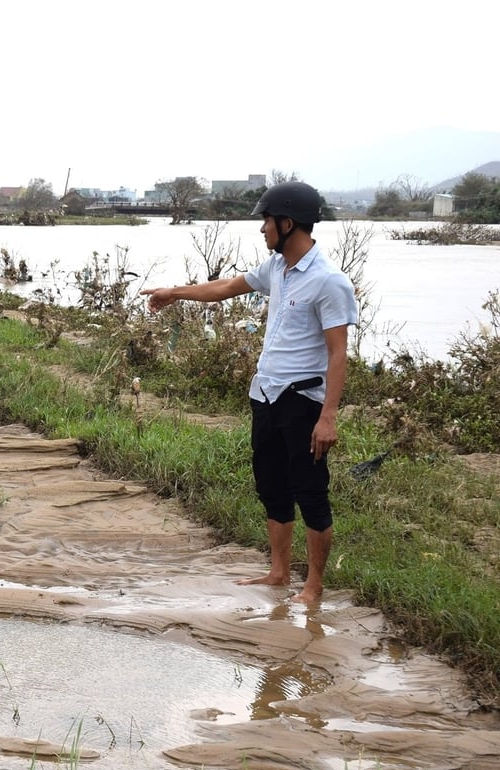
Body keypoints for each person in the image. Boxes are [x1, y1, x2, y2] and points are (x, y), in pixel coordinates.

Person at [140, 181, 357, 603]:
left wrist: (328, 416)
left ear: (287, 223)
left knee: (310, 493)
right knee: (272, 487)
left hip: (303, 400)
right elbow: (224, 288)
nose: (261, 229)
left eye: (265, 221)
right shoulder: (275, 269)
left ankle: (313, 585)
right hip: (267, 396)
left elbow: (338, 354)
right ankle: (278, 573)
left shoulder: (330, 282)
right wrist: (174, 293)